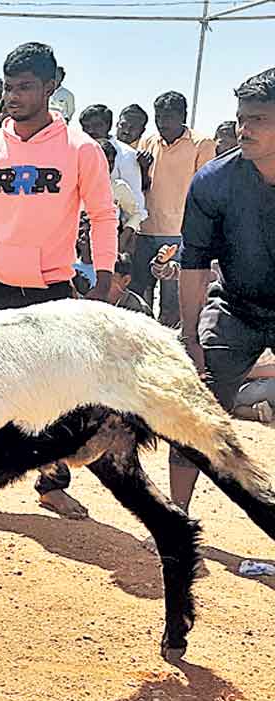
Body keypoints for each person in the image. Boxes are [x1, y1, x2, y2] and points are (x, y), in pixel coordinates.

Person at [0, 42, 117, 521]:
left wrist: (107, 277)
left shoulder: (81, 150)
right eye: (9, 87)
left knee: (56, 396)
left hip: (50, 291)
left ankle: (51, 483)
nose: (14, 96)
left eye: (26, 87)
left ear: (51, 86)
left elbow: (102, 214)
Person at [170, 67, 275, 515]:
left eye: (258, 120)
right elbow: (193, 265)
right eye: (239, 118)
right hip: (235, 306)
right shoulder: (214, 181)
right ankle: (175, 519)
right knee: (195, 410)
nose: (242, 129)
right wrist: (191, 339)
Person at [133, 91, 217, 328]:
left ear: (183, 116)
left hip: (179, 234)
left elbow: (204, 190)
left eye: (168, 117)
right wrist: (141, 168)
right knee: (140, 296)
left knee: (172, 303)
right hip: (145, 230)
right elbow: (142, 185)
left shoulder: (202, 144)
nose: (162, 123)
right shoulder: (148, 142)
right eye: (159, 117)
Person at [78, 104, 148, 225]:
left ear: (108, 126)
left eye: (96, 126)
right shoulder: (77, 150)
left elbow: (135, 204)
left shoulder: (126, 155)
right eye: (86, 126)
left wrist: (126, 234)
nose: (90, 131)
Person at [97, 139, 145, 253]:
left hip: (107, 250)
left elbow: (137, 214)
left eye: (111, 162)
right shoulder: (74, 187)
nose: (108, 166)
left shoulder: (118, 188)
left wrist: (124, 236)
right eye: (103, 161)